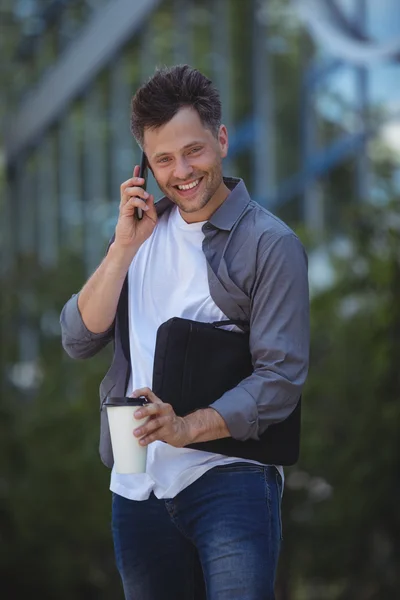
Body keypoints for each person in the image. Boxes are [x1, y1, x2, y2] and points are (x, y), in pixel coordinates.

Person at [60, 65, 309, 600]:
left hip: (230, 480)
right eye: (163, 160)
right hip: (136, 483)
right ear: (145, 167)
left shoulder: (270, 243)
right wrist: (122, 247)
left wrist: (185, 427)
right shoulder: (140, 234)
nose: (182, 171)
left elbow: (281, 379)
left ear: (221, 140)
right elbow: (77, 338)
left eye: (193, 151)